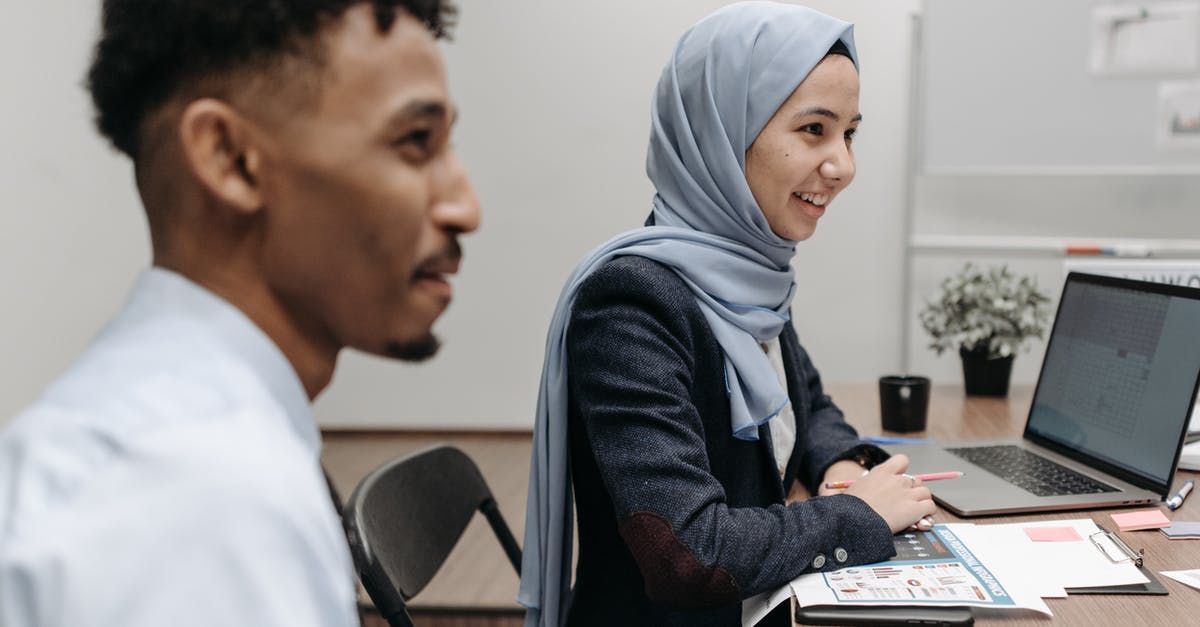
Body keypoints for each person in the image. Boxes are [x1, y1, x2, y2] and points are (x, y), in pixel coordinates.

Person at [0, 1, 478, 625]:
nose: (465, 206)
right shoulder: (200, 493)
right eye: (416, 141)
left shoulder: (175, 441)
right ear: (230, 158)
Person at [519, 3, 936, 626]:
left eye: (849, 133)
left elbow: (808, 403)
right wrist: (860, 514)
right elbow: (688, 555)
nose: (843, 166)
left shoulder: (748, 273)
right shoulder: (632, 302)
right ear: (721, 132)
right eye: (814, 130)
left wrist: (842, 464)